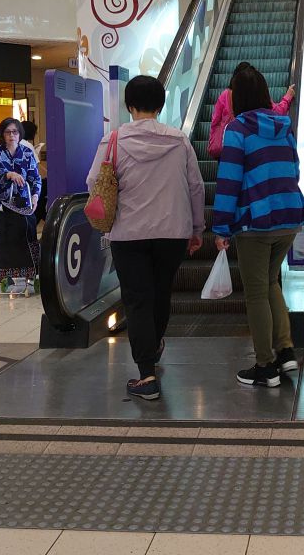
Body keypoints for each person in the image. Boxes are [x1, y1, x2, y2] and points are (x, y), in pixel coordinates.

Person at [88, 75, 204, 400]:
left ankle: (146, 374)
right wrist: (197, 229)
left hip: (128, 234)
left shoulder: (113, 140)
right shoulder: (179, 141)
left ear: (129, 106)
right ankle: (154, 344)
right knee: (161, 293)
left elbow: (93, 182)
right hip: (173, 232)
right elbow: (196, 186)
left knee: (137, 299)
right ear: (161, 106)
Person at [213, 67, 304, 388]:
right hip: (289, 217)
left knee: (256, 293)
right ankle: (286, 351)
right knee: (270, 282)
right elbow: (295, 168)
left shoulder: (237, 128)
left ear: (236, 97)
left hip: (255, 223)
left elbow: (229, 180)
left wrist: (221, 227)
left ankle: (265, 366)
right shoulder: (283, 125)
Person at [0, 118, 41, 294]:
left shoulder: (27, 152)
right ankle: (5, 279)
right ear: (2, 134)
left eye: (15, 132)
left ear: (20, 134)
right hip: (0, 203)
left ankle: (31, 276)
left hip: (23, 202)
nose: (11, 135)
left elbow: (35, 178)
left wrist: (35, 196)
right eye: (8, 132)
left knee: (27, 234)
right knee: (6, 238)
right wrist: (8, 175)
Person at [208, 63, 296, 158]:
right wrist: (288, 97)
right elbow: (276, 112)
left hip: (228, 144)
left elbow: (215, 121)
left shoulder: (224, 95)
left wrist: (214, 140)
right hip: (254, 146)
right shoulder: (257, 94)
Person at [21, 120, 48, 222]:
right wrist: (49, 175)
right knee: (39, 205)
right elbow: (36, 167)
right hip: (31, 183)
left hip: (21, 184)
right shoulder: (27, 145)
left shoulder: (15, 143)